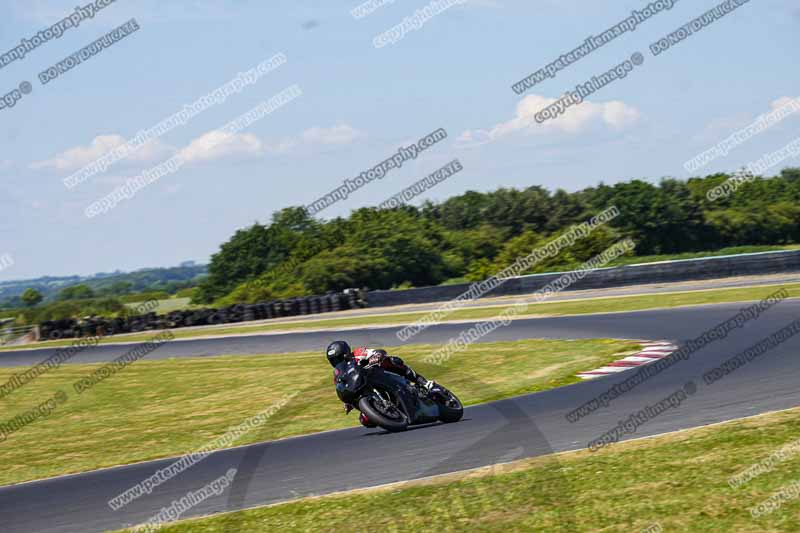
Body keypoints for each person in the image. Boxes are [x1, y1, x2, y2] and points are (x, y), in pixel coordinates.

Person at [325, 340, 437, 428]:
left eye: (339, 358)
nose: (337, 362)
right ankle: (392, 415)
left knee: (393, 361)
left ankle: (423, 382)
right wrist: (348, 402)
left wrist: (376, 357)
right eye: (333, 360)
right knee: (365, 420)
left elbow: (377, 352)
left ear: (346, 353)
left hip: (380, 374)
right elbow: (345, 387)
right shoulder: (339, 374)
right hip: (367, 388)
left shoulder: (358, 353)